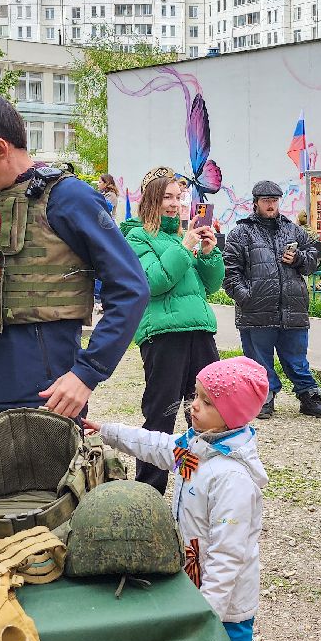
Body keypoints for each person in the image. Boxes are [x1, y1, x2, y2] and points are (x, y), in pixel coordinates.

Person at [67, 356, 269, 641]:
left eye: (207, 402)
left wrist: (206, 614)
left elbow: (228, 556)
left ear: (231, 415)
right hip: (196, 591)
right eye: (196, 396)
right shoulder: (200, 447)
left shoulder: (231, 477)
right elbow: (158, 447)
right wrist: (107, 432)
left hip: (224, 610)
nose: (194, 406)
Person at [0, 93, 148, 431]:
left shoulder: (69, 199)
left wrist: (86, 373)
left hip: (47, 401)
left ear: (0, 147)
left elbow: (131, 289)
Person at [117, 167, 224, 490]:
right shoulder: (136, 236)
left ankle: (203, 481)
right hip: (163, 336)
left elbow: (211, 286)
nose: (176, 204)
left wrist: (208, 253)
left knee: (209, 412)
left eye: (179, 197)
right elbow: (153, 283)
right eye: (167, 197)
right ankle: (150, 490)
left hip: (200, 332)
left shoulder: (182, 237)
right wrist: (185, 246)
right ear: (151, 199)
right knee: (161, 414)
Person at [222, 180, 321, 420]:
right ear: (255, 203)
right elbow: (230, 272)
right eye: (266, 201)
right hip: (255, 310)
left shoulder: (292, 230)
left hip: (292, 308)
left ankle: (309, 397)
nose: (271, 205)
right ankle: (264, 398)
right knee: (259, 361)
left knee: (297, 358)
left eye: (274, 200)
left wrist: (298, 259)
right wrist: (246, 297)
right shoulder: (241, 232)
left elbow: (313, 259)